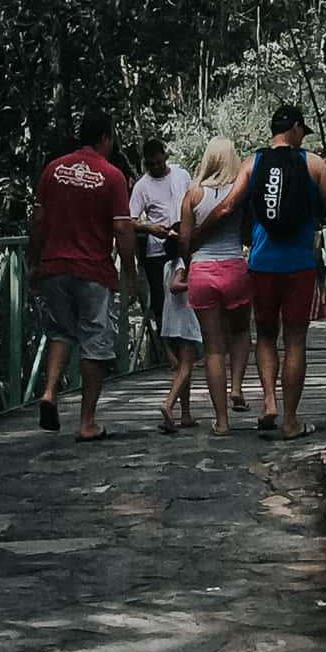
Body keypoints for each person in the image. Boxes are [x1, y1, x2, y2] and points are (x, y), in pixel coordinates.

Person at [216, 104, 326, 441]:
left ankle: (269, 403)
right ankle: (290, 421)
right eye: (303, 131)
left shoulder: (253, 162)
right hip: (299, 265)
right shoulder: (313, 163)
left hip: (261, 263)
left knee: (266, 335)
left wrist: (193, 236)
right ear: (296, 129)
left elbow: (229, 205)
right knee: (296, 340)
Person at [30, 106, 135, 442]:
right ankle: (87, 421)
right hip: (93, 270)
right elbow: (122, 228)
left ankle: (49, 391)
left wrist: (35, 262)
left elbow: (37, 221)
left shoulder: (53, 169)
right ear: (105, 137)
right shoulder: (112, 175)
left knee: (61, 332)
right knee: (95, 342)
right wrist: (130, 272)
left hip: (55, 266)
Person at [179, 134, 254, 435]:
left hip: (202, 271)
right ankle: (236, 386)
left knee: (212, 349)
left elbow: (184, 240)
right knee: (240, 332)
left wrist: (187, 266)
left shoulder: (193, 194)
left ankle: (221, 421)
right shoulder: (240, 193)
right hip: (235, 267)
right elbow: (247, 233)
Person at [126, 134, 192, 337]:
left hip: (184, 243)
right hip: (157, 250)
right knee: (161, 301)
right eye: (152, 164)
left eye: (159, 162)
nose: (156, 167)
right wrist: (149, 228)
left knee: (188, 296)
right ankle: (168, 351)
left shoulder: (181, 175)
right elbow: (130, 220)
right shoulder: (142, 186)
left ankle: (191, 344)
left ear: (165, 156)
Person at [157, 253, 201, 433]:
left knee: (183, 369)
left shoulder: (168, 264)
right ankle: (168, 404)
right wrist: (197, 284)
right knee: (186, 368)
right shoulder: (182, 262)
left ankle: (186, 414)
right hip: (184, 320)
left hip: (171, 320)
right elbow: (175, 287)